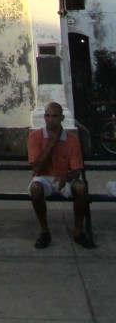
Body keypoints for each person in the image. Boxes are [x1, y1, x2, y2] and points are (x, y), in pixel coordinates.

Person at [27, 101, 93, 249]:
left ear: (62, 118)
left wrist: (66, 177)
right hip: (43, 177)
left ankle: (78, 231)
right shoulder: (35, 137)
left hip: (65, 178)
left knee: (81, 188)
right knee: (35, 189)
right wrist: (52, 144)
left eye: (55, 116)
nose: (51, 120)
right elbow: (37, 167)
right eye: (48, 116)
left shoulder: (72, 140)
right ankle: (44, 231)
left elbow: (76, 170)